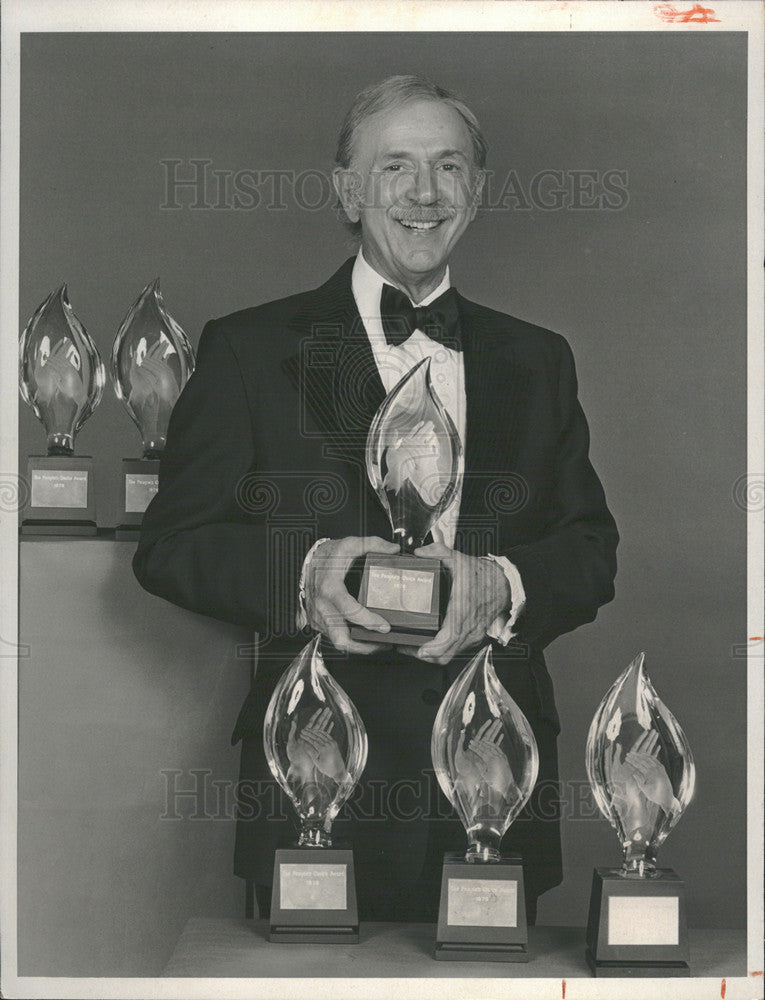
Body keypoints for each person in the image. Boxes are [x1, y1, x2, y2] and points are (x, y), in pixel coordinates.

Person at [133, 75, 618, 924]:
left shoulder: (538, 359)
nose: (424, 193)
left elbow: (587, 550)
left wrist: (500, 584)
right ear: (347, 191)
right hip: (316, 774)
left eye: (448, 167)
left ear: (476, 192)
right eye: (394, 167)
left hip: (495, 778)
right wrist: (306, 571)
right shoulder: (249, 349)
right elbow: (172, 544)